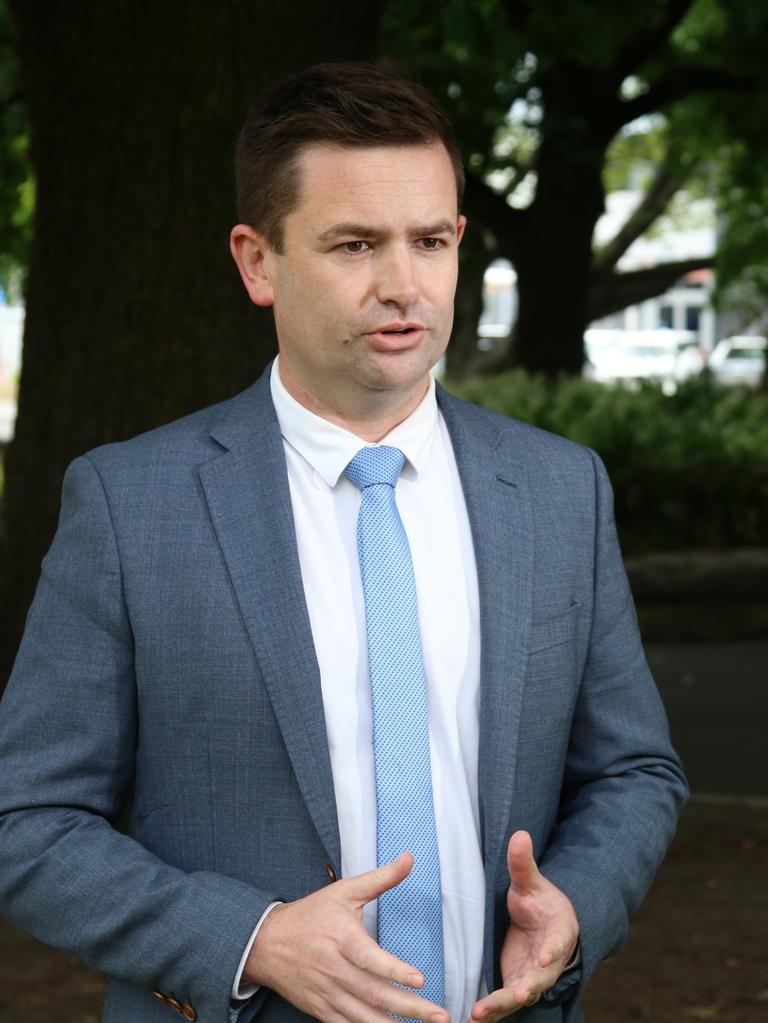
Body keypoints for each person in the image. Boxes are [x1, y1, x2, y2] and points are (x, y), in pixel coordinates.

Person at [0, 62, 687, 1023]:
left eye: (433, 240)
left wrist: (574, 908)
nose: (404, 284)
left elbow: (633, 770)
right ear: (256, 262)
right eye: (355, 243)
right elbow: (24, 820)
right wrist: (249, 939)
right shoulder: (129, 502)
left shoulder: (559, 488)